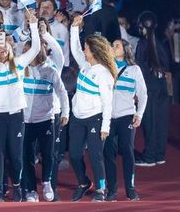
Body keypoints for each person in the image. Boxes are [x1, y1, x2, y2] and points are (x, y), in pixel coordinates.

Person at [0, 12, 41, 202]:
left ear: (10, 48)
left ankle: (17, 185)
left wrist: (33, 26)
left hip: (16, 115)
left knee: (16, 156)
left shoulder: (18, 63)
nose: (2, 50)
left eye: (5, 47)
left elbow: (35, 50)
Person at [68, 15, 117, 202]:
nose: (83, 50)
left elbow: (108, 102)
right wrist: (74, 28)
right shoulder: (85, 65)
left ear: (94, 51)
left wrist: (106, 126)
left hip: (96, 118)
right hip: (78, 117)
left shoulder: (104, 74)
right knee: (73, 154)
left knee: (96, 155)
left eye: (86, 48)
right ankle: (83, 182)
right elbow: (74, 49)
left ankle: (101, 190)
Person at [20, 20, 69, 203]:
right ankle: (31, 190)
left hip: (47, 117)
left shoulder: (51, 68)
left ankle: (47, 182)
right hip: (25, 120)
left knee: (48, 154)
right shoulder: (21, 70)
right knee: (27, 156)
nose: (26, 54)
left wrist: (65, 113)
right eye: (25, 51)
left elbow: (63, 92)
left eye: (30, 51)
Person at [104, 38, 147, 202]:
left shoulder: (134, 70)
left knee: (128, 151)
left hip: (126, 115)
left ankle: (130, 188)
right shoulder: (106, 67)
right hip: (108, 117)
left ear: (125, 49)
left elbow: (143, 94)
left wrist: (139, 114)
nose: (113, 47)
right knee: (108, 152)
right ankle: (112, 190)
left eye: (116, 45)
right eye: (112, 45)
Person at [135, 11, 170, 167]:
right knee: (160, 121)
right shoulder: (160, 42)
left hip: (148, 88)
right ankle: (159, 154)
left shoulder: (143, 44)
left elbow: (139, 68)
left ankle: (149, 157)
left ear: (142, 27)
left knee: (149, 122)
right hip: (161, 87)